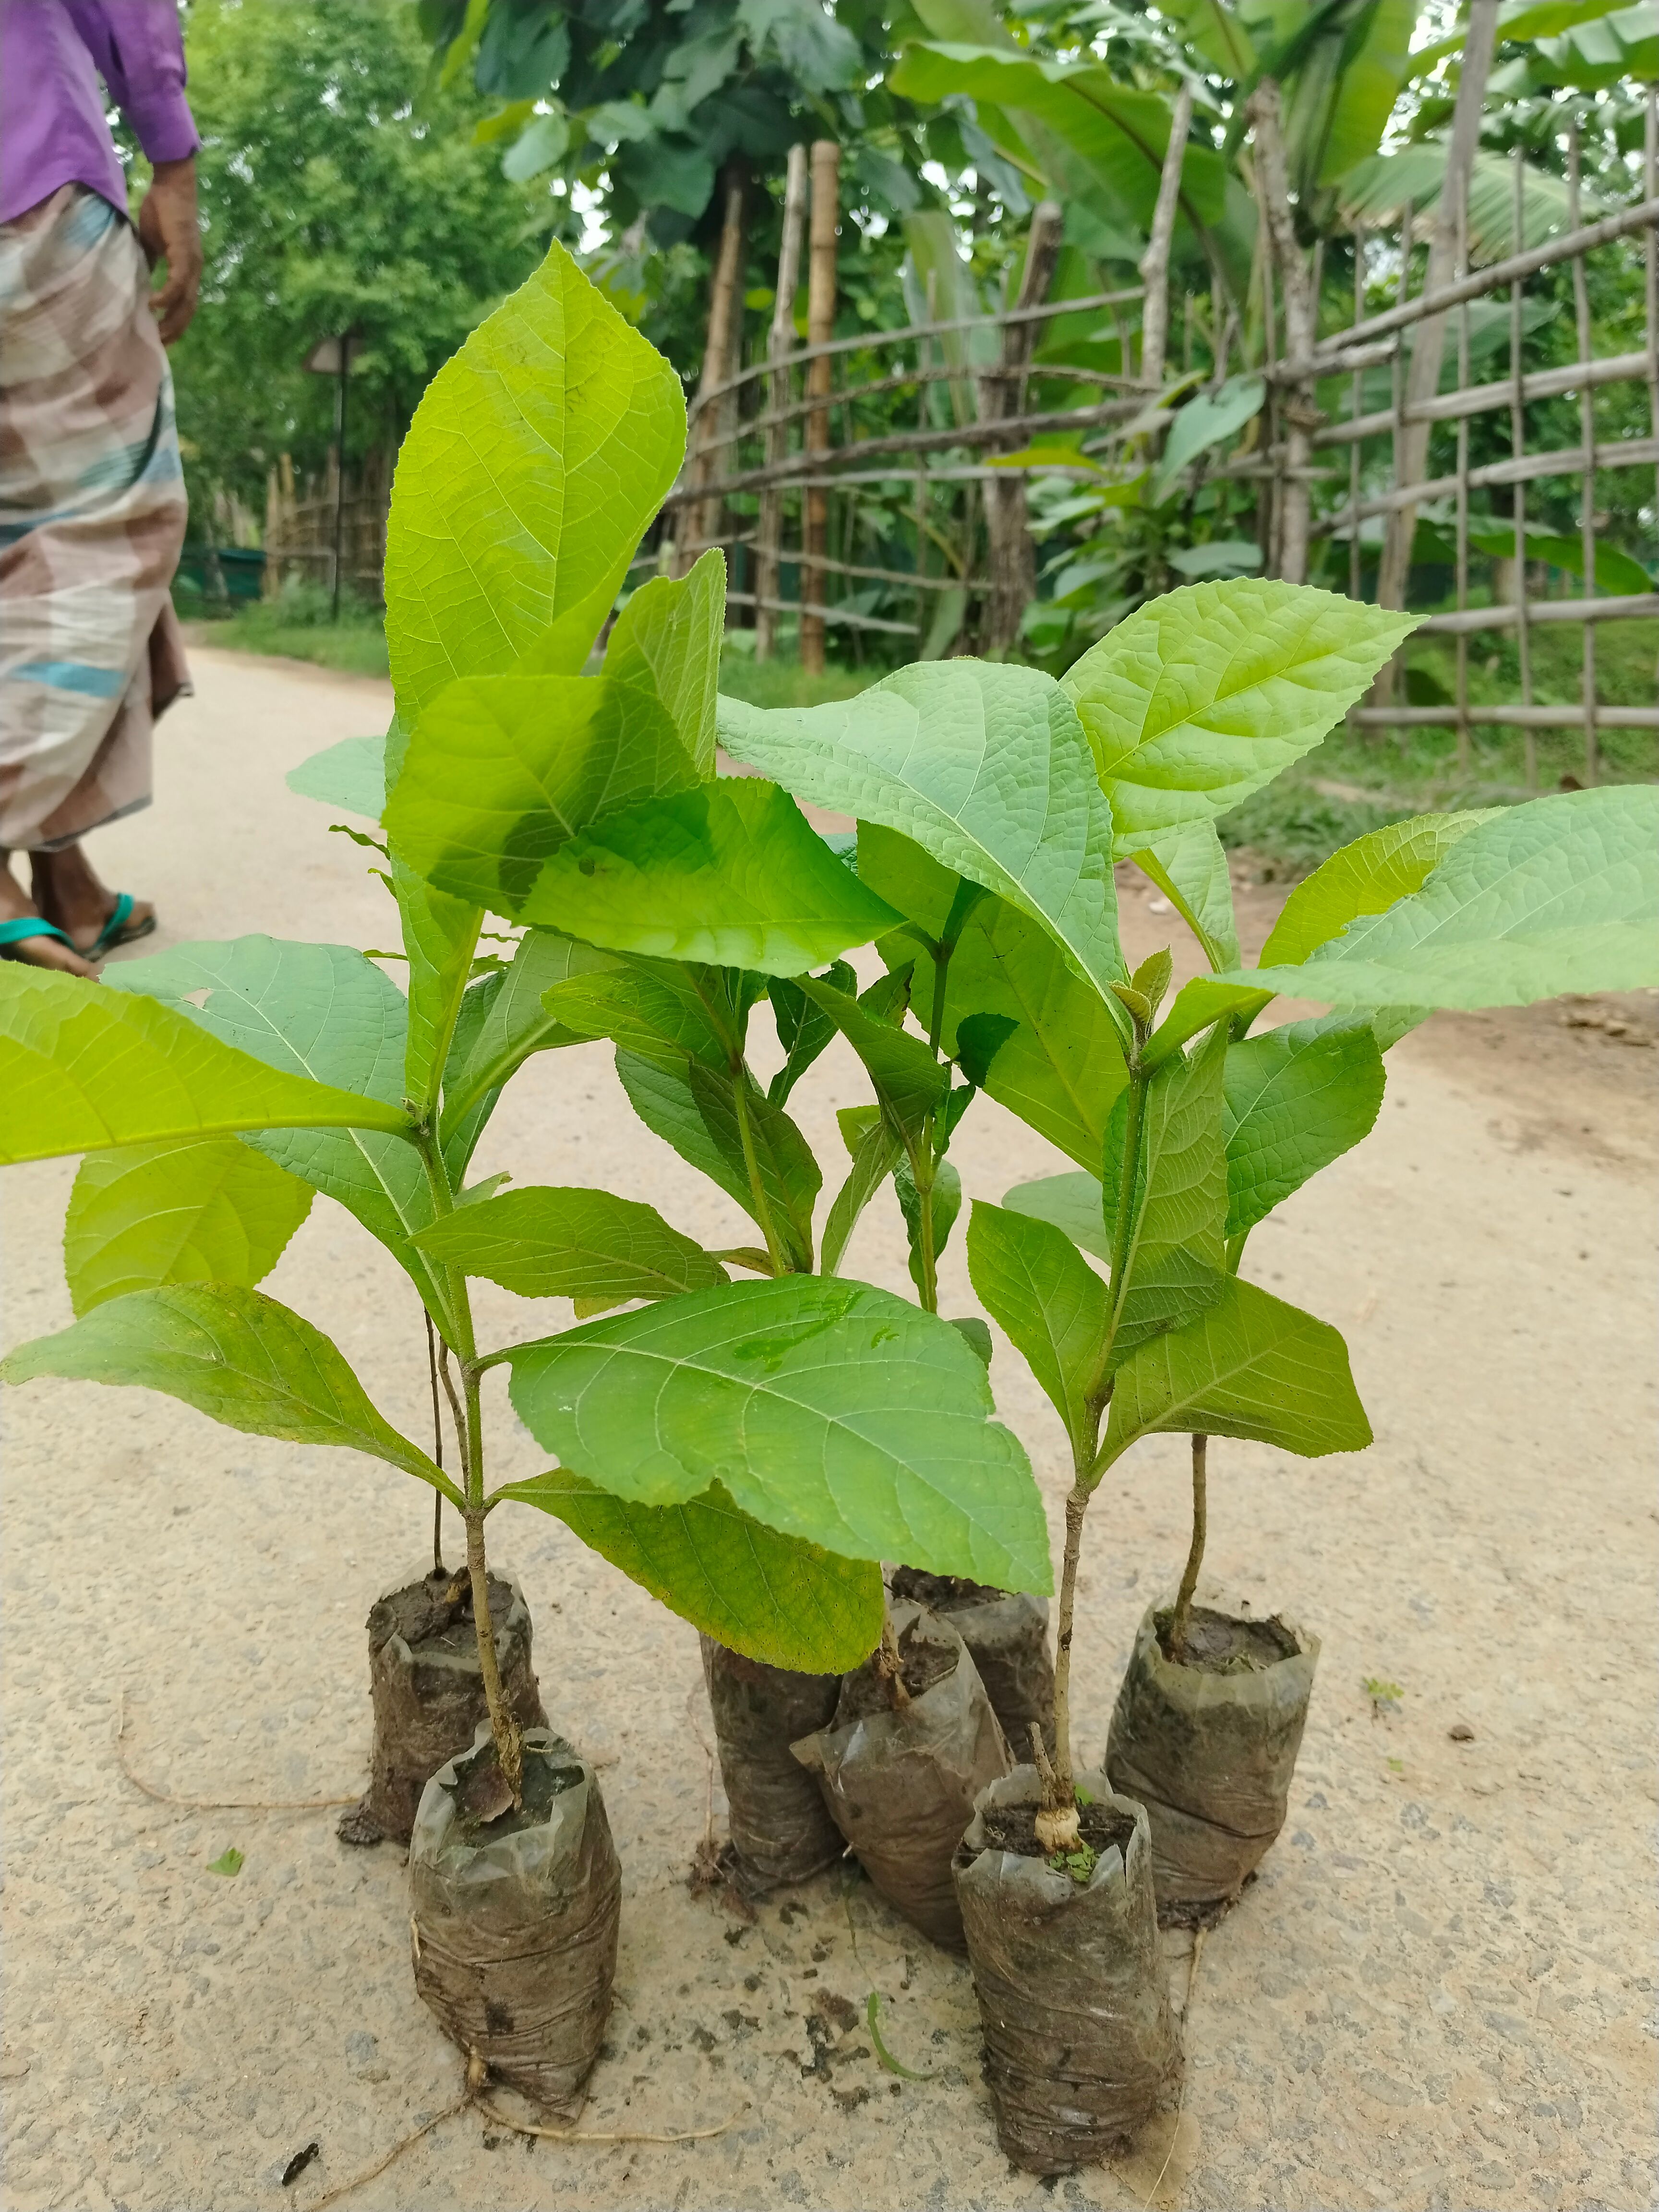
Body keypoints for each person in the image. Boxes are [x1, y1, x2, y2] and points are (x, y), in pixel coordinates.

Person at [0, 0, 202, 976]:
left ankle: (67, 880)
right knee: (106, 526)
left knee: (26, 542)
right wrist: (171, 157)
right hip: (23, 165)